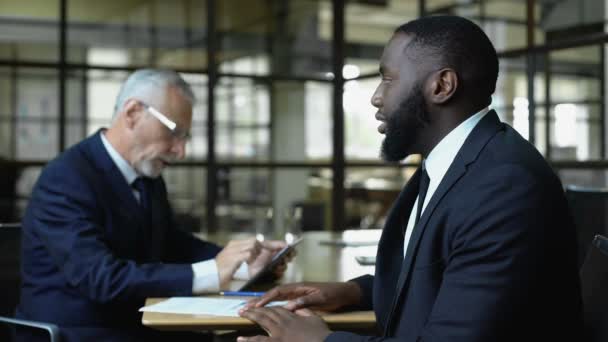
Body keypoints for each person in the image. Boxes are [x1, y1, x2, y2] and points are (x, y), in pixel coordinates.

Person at [237, 15, 582, 342]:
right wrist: (355, 292)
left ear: (442, 85)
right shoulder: (459, 163)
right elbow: (445, 277)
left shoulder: (504, 186)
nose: (376, 96)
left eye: (388, 79)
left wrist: (322, 340)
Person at [15, 69, 290, 342]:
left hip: (134, 319)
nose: (180, 151)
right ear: (133, 113)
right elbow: (102, 279)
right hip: (79, 330)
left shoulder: (146, 175)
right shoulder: (66, 177)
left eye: (185, 138)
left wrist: (245, 262)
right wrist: (213, 271)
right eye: (174, 132)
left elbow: (171, 242)